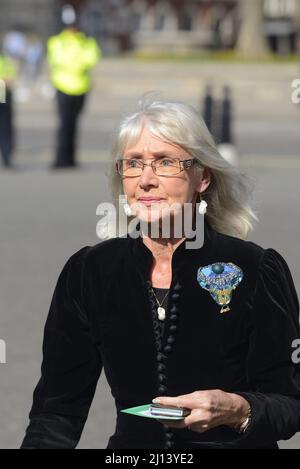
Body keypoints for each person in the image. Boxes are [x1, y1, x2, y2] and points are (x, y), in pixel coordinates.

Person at [21, 97, 300, 449]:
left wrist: (239, 409)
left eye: (165, 162)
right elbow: (56, 412)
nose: (146, 180)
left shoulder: (256, 268)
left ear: (203, 178)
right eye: (134, 163)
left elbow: (290, 402)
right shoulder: (90, 272)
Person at [47, 5, 101, 169]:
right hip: (63, 87)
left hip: (81, 88)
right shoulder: (56, 41)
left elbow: (92, 59)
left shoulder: (86, 41)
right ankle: (61, 159)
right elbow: (59, 60)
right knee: (64, 124)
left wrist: (75, 62)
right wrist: (78, 62)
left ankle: (71, 159)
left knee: (74, 124)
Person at [0, 53, 16, 169]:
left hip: (2, 91)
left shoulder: (4, 59)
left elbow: (9, 78)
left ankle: (7, 156)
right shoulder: (4, 59)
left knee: (5, 127)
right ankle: (7, 157)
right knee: (5, 127)